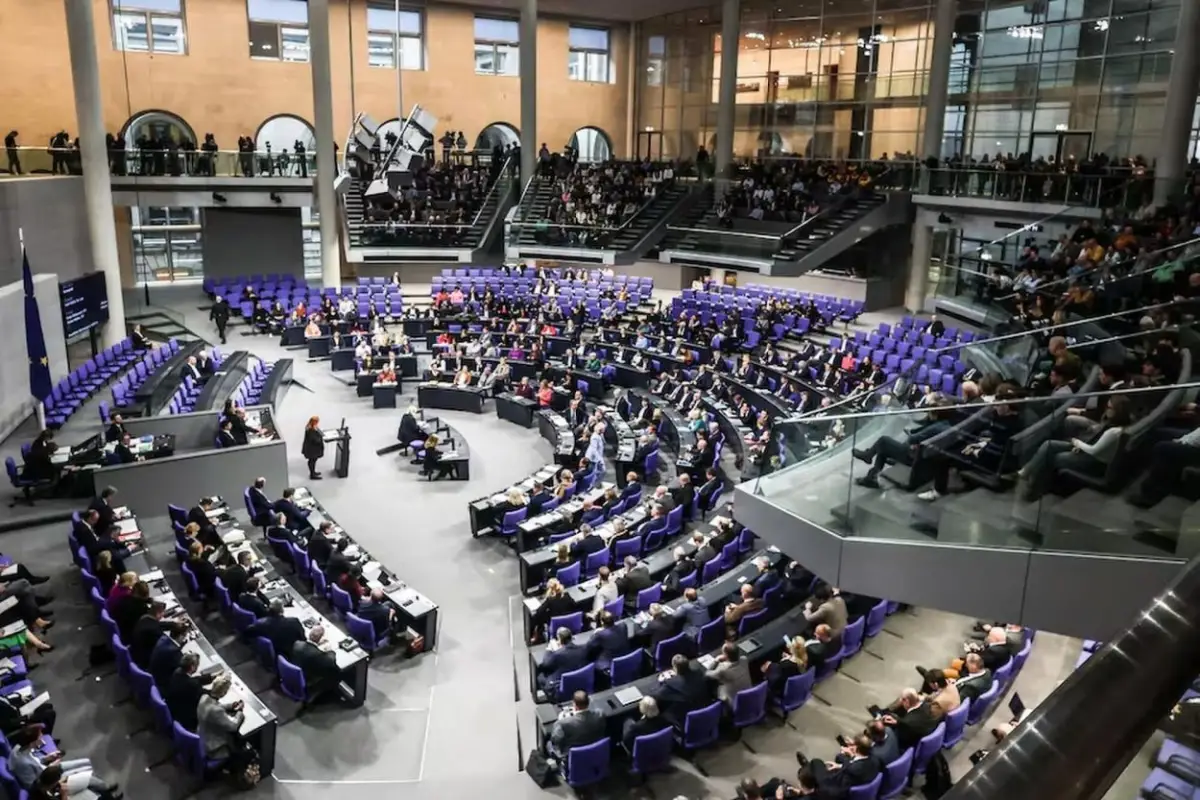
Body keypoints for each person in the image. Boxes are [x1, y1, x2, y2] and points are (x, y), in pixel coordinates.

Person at [7, 726, 118, 797]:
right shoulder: (23, 764)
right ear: (32, 742)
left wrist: (47, 759)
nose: (42, 739)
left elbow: (35, 762)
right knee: (88, 775)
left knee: (86, 762)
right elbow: (33, 785)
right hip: (50, 779)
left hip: (49, 769)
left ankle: (100, 790)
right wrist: (51, 768)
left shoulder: (19, 748)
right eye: (40, 737)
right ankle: (105, 791)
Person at [198, 674, 255, 774]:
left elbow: (213, 706)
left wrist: (230, 706)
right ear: (223, 693)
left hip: (202, 735)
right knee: (241, 751)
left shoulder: (204, 697)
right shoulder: (216, 712)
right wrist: (240, 712)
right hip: (213, 748)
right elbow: (233, 726)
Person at [653, 654, 712, 728]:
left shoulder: (670, 684)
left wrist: (661, 682)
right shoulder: (699, 673)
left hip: (688, 718)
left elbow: (657, 695)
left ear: (675, 668)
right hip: (706, 709)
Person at [547, 691, 606, 761]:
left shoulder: (562, 724)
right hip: (595, 752)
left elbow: (556, 741)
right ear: (589, 702)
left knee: (549, 744)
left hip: (573, 759)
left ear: (574, 705)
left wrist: (562, 720)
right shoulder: (600, 714)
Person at [290, 626, 344, 703]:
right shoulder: (317, 655)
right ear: (321, 638)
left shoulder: (297, 644)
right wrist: (330, 651)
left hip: (300, 670)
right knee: (337, 671)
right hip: (311, 676)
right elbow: (330, 662)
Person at [536, 627, 589, 700]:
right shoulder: (583, 648)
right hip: (581, 683)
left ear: (559, 640)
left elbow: (545, 664)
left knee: (540, 676)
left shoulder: (557, 655)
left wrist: (549, 650)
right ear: (571, 637)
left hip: (561, 690)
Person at [705, 642, 752, 708]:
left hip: (735, 704)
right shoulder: (744, 659)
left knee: (715, 688)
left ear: (725, 656)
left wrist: (716, 660)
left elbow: (707, 673)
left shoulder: (722, 670)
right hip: (750, 695)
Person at [529, 579, 575, 644]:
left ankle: (535, 637)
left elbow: (539, 611)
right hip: (569, 623)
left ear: (549, 589)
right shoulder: (567, 595)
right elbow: (574, 606)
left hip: (556, 625)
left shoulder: (550, 600)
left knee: (537, 617)